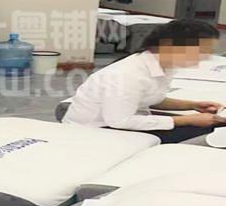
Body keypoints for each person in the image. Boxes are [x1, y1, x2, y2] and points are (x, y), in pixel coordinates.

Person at [62, 19, 225, 144]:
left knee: (212, 126)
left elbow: (149, 97)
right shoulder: (127, 75)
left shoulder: (163, 65)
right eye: (202, 51)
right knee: (209, 131)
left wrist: (192, 105)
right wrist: (187, 119)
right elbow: (120, 121)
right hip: (96, 131)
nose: (206, 57)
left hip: (122, 122)